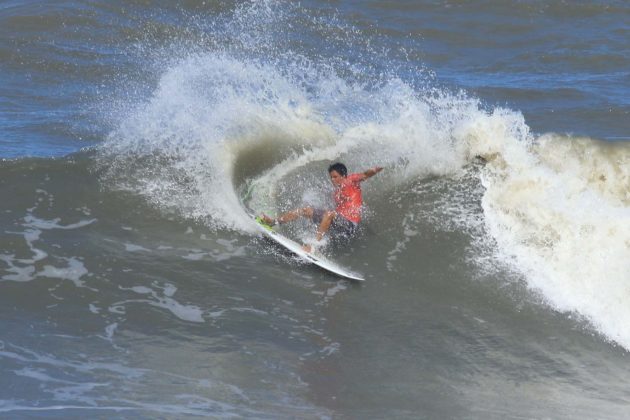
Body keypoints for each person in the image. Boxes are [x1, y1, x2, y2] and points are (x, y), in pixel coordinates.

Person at [260, 163, 383, 252]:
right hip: (338, 222)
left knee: (329, 214)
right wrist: (314, 213)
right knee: (305, 210)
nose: (332, 180)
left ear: (343, 175)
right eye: (331, 177)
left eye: (335, 177)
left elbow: (365, 175)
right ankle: (273, 222)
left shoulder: (351, 180)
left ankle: (314, 246)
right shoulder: (336, 193)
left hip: (349, 225)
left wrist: (374, 170)